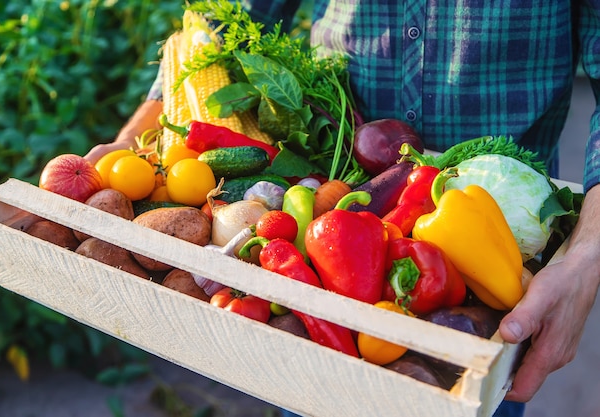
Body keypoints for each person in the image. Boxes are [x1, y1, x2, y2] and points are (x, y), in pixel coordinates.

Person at [85, 1, 600, 416]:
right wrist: (131, 142)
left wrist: (586, 261)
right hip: (336, 184)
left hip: (507, 237)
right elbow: (221, 19)